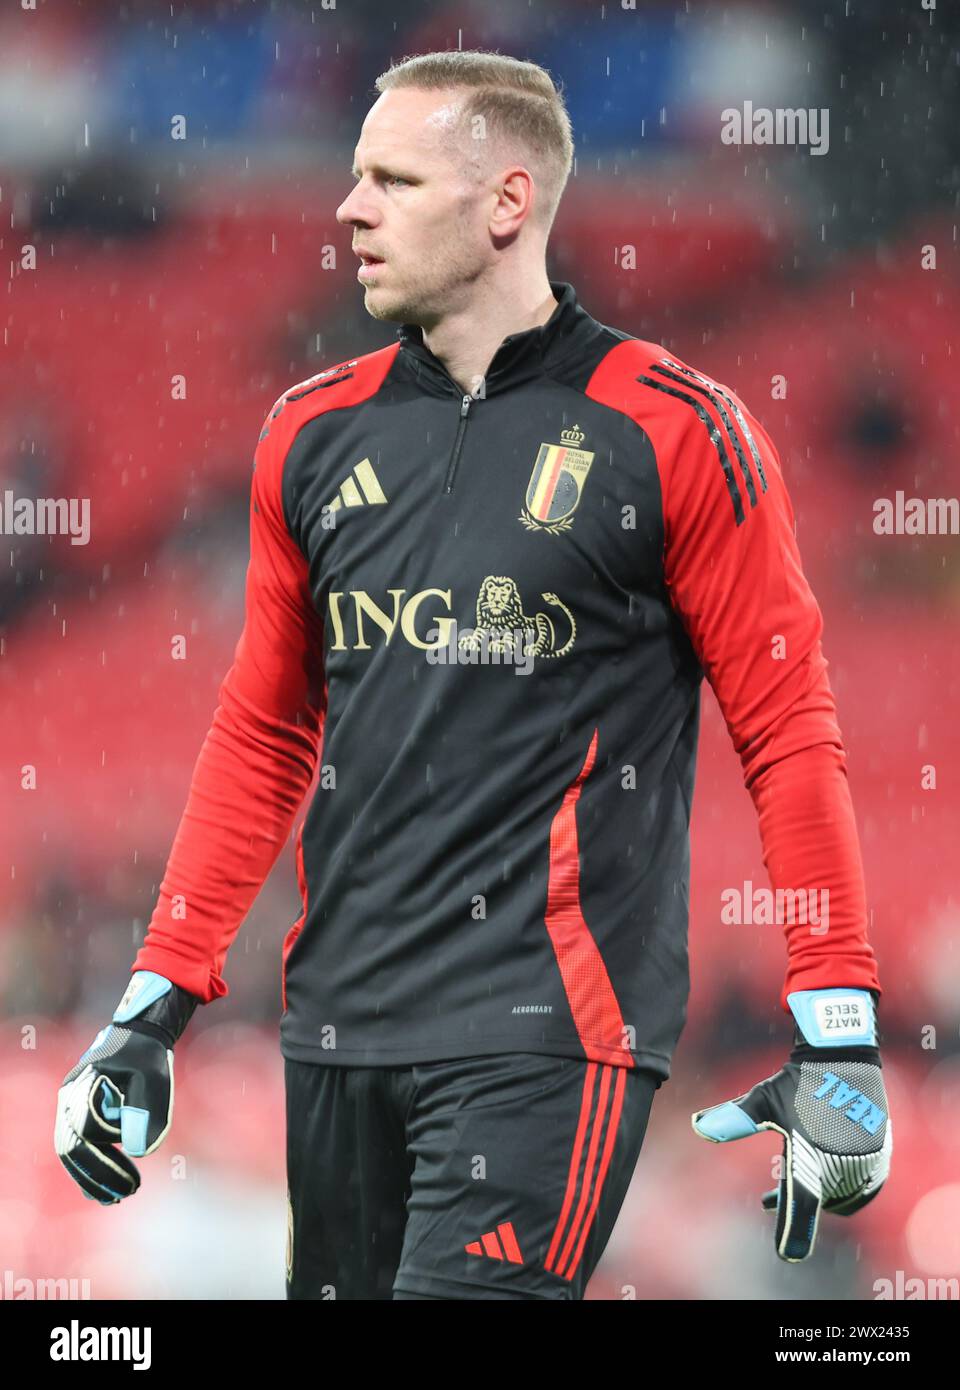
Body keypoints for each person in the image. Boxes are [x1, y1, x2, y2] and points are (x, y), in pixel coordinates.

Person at [54, 49, 891, 1301]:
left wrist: (840, 1027)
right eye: (353, 176)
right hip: (338, 1029)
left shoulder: (675, 430)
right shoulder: (308, 432)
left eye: (392, 179)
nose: (349, 208)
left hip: (548, 1037)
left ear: (507, 203)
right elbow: (265, 734)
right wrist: (152, 1004)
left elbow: (788, 732)